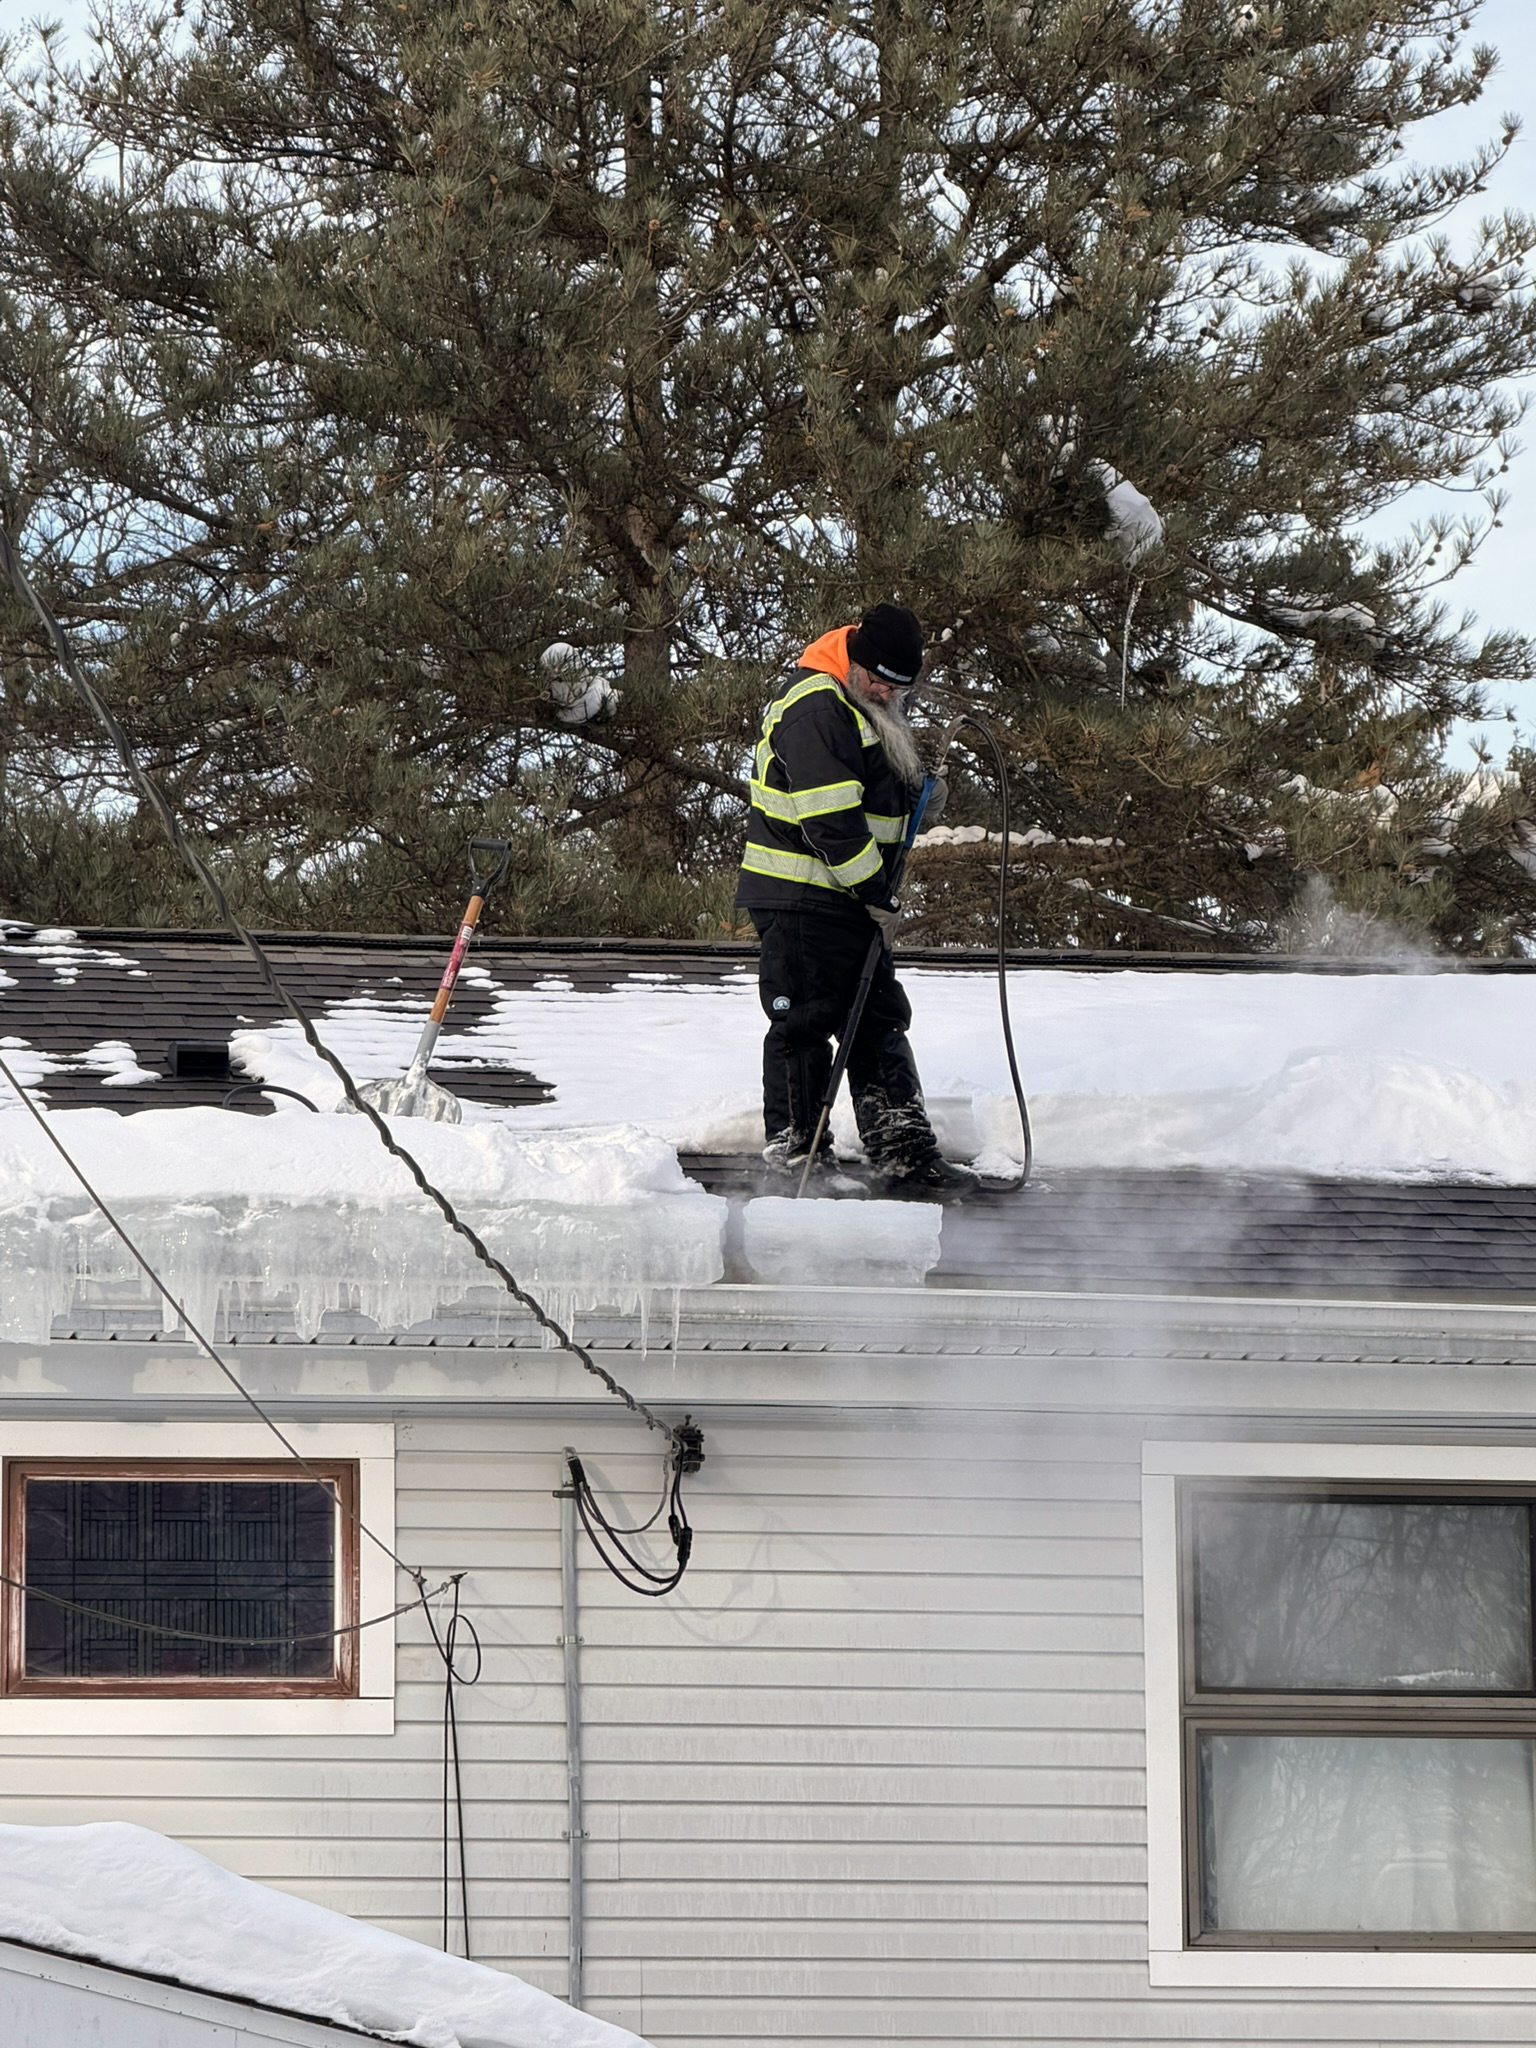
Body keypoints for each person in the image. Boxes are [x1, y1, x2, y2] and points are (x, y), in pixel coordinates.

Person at [735, 602, 980, 1198]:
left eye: (899, 688)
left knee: (876, 1020)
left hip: (844, 898)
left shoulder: (859, 704)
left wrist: (916, 794)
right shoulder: (815, 705)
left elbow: (866, 793)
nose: (886, 693)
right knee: (807, 1020)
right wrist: (876, 893)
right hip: (802, 896)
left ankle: (902, 1152)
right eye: (879, 680)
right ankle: (800, 1160)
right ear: (855, 660)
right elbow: (832, 819)